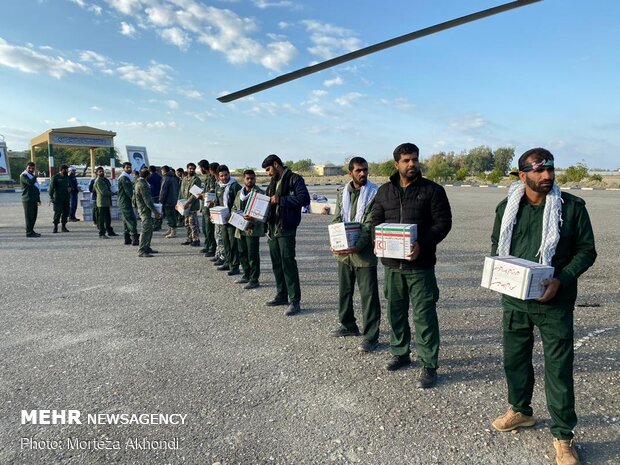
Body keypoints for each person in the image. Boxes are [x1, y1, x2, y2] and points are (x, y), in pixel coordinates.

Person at [490, 148, 596, 465]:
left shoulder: (571, 208)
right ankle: (520, 411)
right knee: (515, 360)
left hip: (555, 302)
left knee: (558, 370)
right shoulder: (506, 208)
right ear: (523, 175)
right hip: (515, 300)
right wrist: (502, 276)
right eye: (538, 171)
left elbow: (587, 251)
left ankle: (563, 437)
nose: (547, 176)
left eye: (550, 170)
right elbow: (496, 245)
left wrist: (561, 279)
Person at [371, 142, 452, 388]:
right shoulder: (384, 191)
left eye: (415, 159)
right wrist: (379, 238)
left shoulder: (432, 190)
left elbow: (443, 222)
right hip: (393, 266)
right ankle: (401, 352)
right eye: (406, 160)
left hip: (421, 266)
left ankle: (429, 364)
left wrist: (423, 245)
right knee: (396, 311)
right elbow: (375, 218)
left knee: (424, 315)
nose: (412, 164)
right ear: (396, 164)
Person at [330, 157, 382, 352]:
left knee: (368, 296)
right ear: (350, 172)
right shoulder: (342, 193)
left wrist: (356, 246)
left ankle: (371, 336)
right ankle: (348, 325)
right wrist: (335, 241)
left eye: (365, 170)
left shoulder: (375, 194)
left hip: (364, 254)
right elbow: (337, 218)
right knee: (345, 291)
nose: (363, 174)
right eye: (359, 171)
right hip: (344, 254)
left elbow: (370, 224)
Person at [261, 154, 310, 316]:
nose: (268, 173)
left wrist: (281, 200)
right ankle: (281, 295)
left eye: (269, 169)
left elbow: (304, 199)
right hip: (272, 228)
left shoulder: (294, 179)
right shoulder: (273, 182)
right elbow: (268, 202)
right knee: (276, 263)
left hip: (286, 228)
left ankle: (295, 301)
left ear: (276, 164)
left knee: (288, 262)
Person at [232, 169, 265, 288]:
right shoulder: (239, 193)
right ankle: (246, 275)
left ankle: (254, 279)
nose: (250, 180)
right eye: (248, 178)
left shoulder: (260, 193)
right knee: (242, 252)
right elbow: (234, 208)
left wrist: (253, 219)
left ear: (255, 179)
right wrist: (238, 216)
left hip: (252, 229)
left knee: (253, 255)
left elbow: (263, 212)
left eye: (252, 178)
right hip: (240, 228)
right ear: (243, 179)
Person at [213, 165, 241, 275]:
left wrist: (233, 214)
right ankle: (228, 262)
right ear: (218, 176)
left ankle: (235, 266)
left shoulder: (235, 186)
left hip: (233, 219)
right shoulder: (218, 186)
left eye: (225, 175)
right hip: (222, 219)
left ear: (229, 174)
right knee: (225, 242)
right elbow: (217, 202)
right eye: (221, 176)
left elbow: (240, 204)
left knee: (233, 243)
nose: (224, 178)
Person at [134, 168, 162, 258]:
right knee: (146, 229)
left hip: (143, 208)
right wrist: (155, 211)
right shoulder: (143, 184)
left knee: (149, 229)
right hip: (144, 209)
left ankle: (147, 246)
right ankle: (142, 250)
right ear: (148, 175)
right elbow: (147, 200)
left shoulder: (139, 182)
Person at [197, 159, 218, 257]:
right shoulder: (208, 178)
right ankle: (207, 245)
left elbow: (211, 193)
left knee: (209, 230)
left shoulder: (212, 178)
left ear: (203, 168)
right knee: (205, 229)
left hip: (209, 207)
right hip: (205, 208)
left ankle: (212, 248)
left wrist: (202, 195)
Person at [179, 162, 202, 247]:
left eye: (193, 168)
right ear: (187, 169)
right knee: (186, 223)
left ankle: (196, 240)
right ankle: (189, 238)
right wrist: (179, 203)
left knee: (193, 223)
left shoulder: (196, 180)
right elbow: (181, 192)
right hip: (184, 205)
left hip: (192, 205)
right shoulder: (184, 179)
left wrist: (188, 203)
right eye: (190, 168)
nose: (191, 170)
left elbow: (195, 194)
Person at [117, 162, 139, 246]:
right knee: (131, 220)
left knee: (126, 221)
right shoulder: (124, 178)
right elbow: (129, 192)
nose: (129, 169)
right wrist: (136, 201)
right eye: (127, 168)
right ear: (123, 168)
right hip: (125, 202)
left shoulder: (127, 177)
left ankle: (127, 239)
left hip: (124, 202)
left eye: (130, 167)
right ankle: (134, 238)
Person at [93, 166, 118, 239]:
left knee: (108, 218)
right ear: (97, 173)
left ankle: (110, 231)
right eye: (100, 171)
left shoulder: (104, 180)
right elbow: (103, 192)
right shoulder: (98, 181)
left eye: (102, 171)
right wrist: (113, 193)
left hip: (106, 201)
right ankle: (101, 233)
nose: (102, 172)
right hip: (101, 202)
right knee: (101, 218)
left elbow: (110, 187)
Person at [20, 162, 42, 237]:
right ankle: (28, 232)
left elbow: (36, 188)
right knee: (29, 217)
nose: (31, 169)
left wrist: (38, 199)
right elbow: (30, 183)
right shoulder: (24, 175)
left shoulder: (31, 175)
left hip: (34, 199)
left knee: (33, 216)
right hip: (27, 199)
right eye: (29, 168)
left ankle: (31, 230)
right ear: (26, 167)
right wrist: (35, 176)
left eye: (33, 168)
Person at [48, 164, 71, 233]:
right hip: (58, 198)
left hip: (66, 198)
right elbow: (51, 188)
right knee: (57, 212)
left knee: (66, 212)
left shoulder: (67, 177)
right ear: (62, 170)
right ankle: (55, 227)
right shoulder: (55, 177)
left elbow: (70, 185)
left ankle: (63, 226)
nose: (67, 171)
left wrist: (70, 188)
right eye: (66, 170)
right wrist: (51, 197)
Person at [160, 165, 180, 238]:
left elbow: (163, 190)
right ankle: (170, 230)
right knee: (172, 215)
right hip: (174, 199)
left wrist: (161, 200)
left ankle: (173, 232)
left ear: (164, 171)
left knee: (170, 216)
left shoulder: (166, 178)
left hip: (168, 200)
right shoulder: (174, 178)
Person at [148, 165, 163, 231]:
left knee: (153, 210)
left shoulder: (149, 177)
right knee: (159, 209)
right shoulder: (160, 177)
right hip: (159, 195)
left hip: (152, 195)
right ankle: (159, 224)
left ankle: (155, 225)